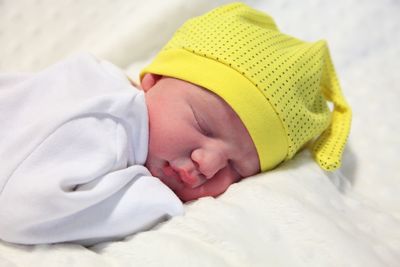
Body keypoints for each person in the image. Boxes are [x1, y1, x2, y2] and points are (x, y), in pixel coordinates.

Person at [0, 2, 351, 245]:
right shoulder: (106, 117)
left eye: (236, 169)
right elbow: (21, 214)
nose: (209, 163)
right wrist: (155, 200)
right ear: (152, 79)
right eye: (204, 125)